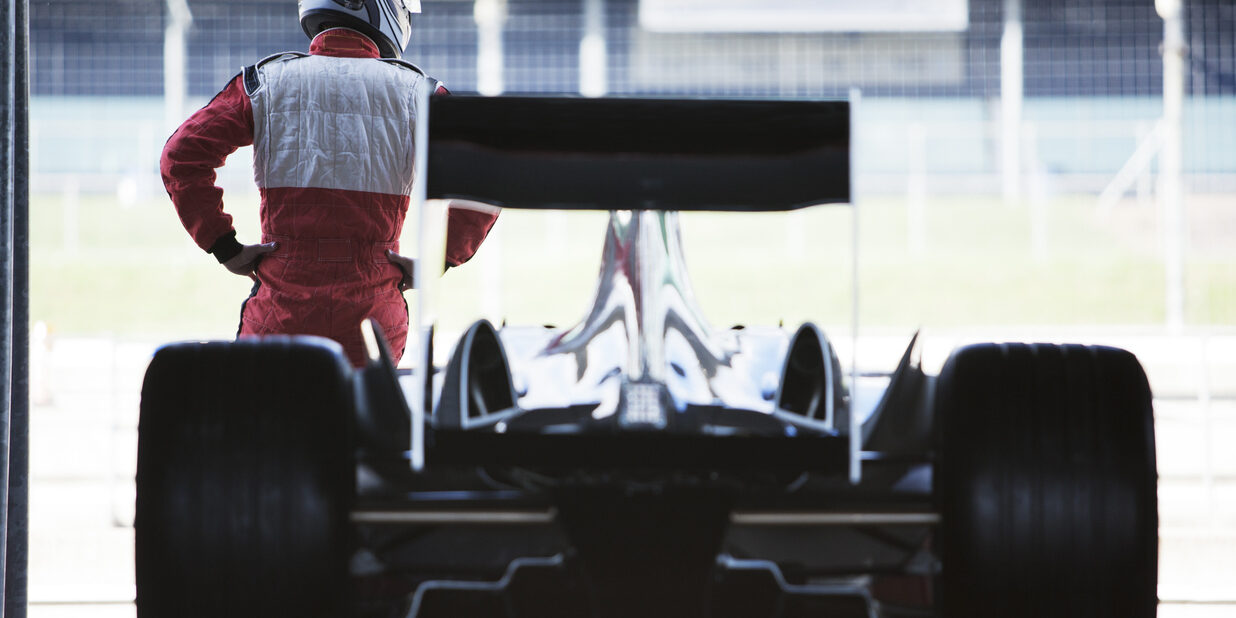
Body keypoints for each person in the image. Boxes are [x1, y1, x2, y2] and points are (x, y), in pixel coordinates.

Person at [160, 0, 499, 367]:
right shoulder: (420, 92)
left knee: (268, 422)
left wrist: (225, 247)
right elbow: (488, 174)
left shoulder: (265, 81)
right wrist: (437, 260)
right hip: (373, 326)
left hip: (278, 319)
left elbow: (180, 157)